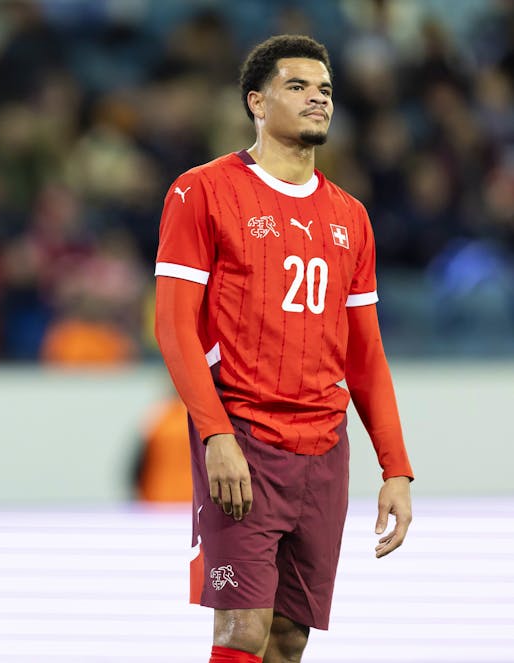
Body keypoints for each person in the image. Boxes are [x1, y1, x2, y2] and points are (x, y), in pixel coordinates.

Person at [153, 35, 414, 663]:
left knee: (289, 639)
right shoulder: (201, 192)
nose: (317, 98)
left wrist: (397, 469)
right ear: (256, 103)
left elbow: (366, 355)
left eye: (324, 89)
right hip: (243, 439)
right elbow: (173, 326)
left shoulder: (351, 216)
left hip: (325, 450)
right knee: (241, 629)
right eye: (297, 86)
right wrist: (215, 435)